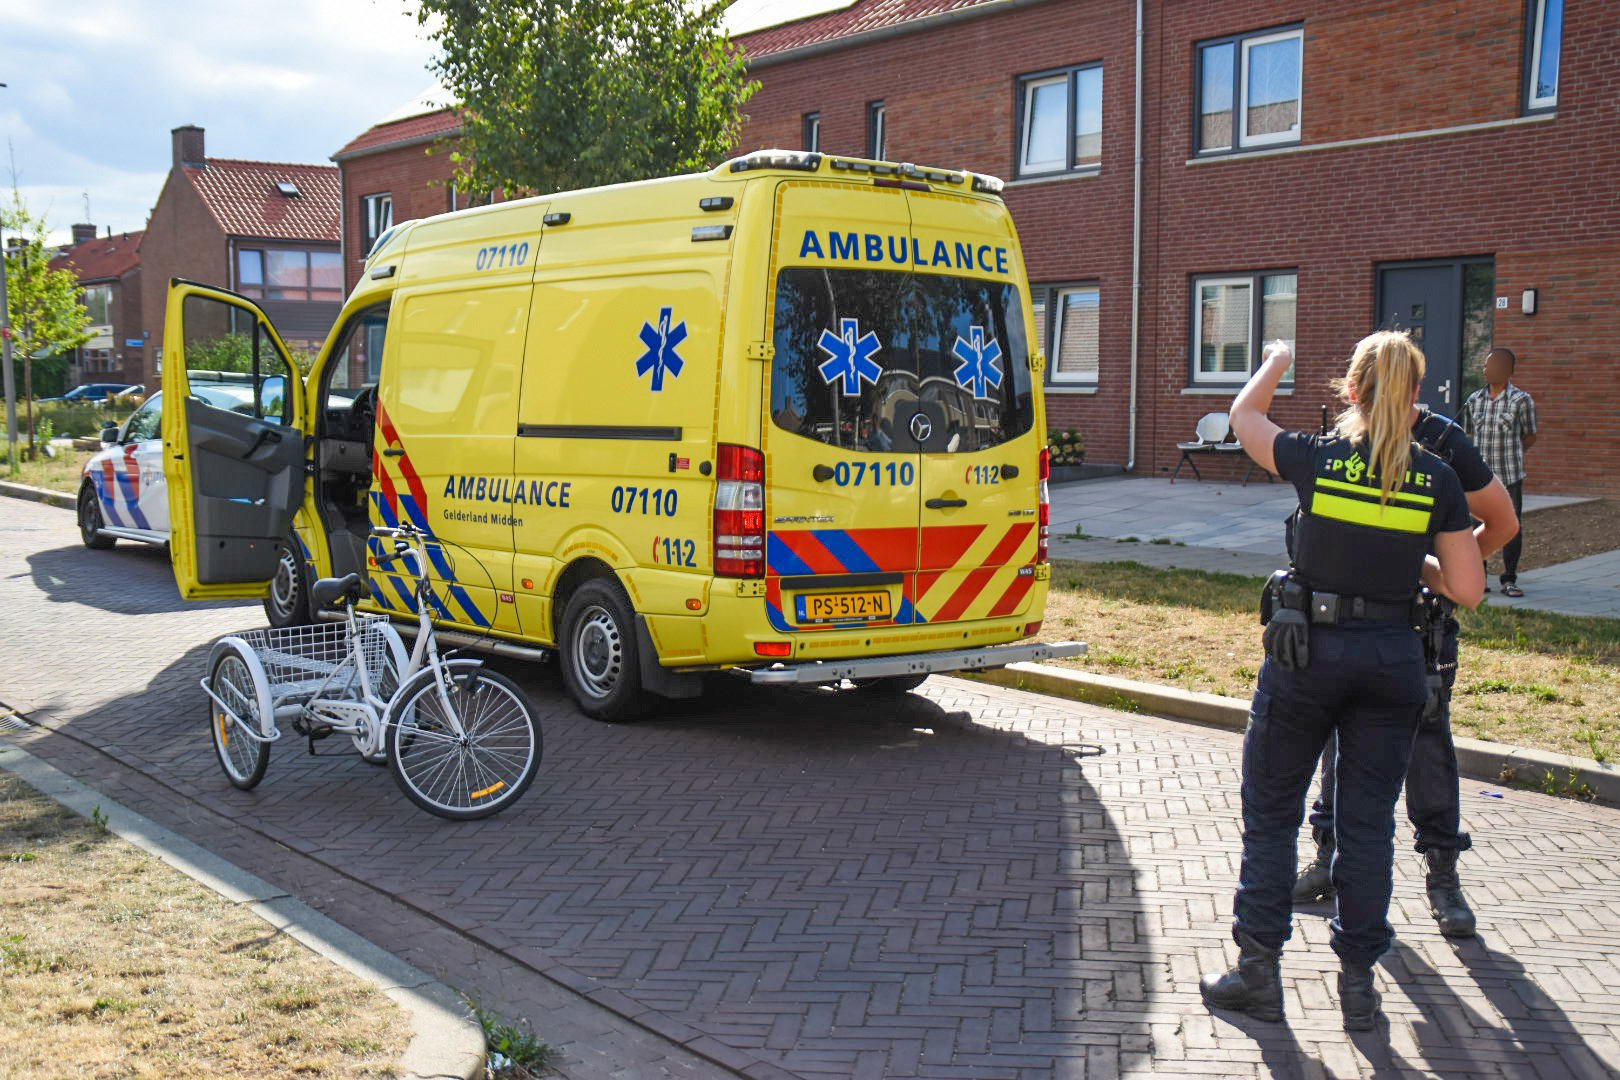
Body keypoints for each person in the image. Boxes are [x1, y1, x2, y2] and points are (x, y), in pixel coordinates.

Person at [1200, 331, 1484, 1032]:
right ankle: (1359, 987)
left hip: (1307, 660)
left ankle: (1259, 975)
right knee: (1366, 827)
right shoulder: (1436, 479)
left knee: (1272, 816)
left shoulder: (1318, 458)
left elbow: (1243, 417)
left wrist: (1276, 359)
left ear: (1350, 393)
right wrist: (1411, 562)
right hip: (1392, 663)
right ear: (1417, 399)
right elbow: (1468, 589)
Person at [1293, 405, 1519, 938]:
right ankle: (1327, 856)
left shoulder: (1444, 441)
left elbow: (1503, 522)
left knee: (1426, 743)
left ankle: (1443, 876)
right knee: (1336, 738)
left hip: (1419, 626)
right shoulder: (1346, 437)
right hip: (1350, 622)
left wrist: (1438, 571)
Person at [1461, 348, 1537, 597]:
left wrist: (1512, 454)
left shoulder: (1521, 400)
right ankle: (1478, 576)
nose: (1486, 369)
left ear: (1508, 370)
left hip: (1510, 475)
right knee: (1473, 527)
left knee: (1512, 527)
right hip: (1479, 478)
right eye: (1485, 365)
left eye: (1492, 365)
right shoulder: (1474, 400)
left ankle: (1509, 579)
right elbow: (1469, 434)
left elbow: (1530, 435)